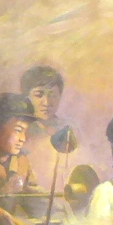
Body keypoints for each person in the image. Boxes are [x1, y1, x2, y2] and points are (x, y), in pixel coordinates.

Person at [20, 65, 82, 200]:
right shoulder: (20, 132)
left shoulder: (70, 129)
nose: (46, 102)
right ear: (26, 97)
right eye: (39, 95)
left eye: (52, 95)